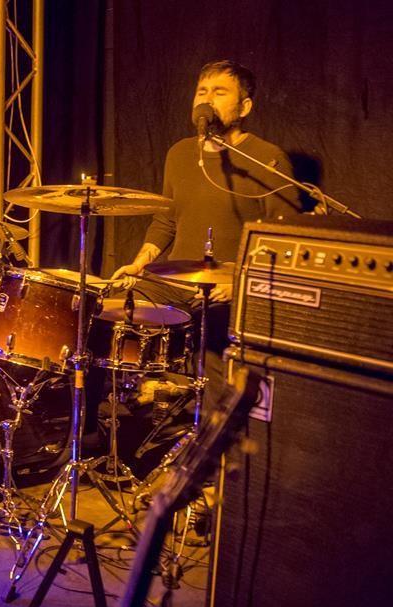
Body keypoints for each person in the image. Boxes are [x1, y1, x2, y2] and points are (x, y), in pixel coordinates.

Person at [108, 60, 299, 385]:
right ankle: (97, 425)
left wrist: (239, 284)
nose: (207, 100)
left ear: (244, 107)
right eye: (202, 91)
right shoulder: (179, 153)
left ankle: (213, 427)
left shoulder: (267, 158)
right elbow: (167, 218)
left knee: (216, 359)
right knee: (108, 310)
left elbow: (286, 240)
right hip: (174, 281)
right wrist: (140, 263)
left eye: (219, 92)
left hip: (229, 287)